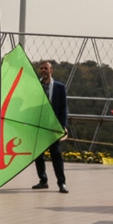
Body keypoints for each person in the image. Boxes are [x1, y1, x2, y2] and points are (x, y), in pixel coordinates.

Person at [32, 61, 68, 193]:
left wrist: (63, 125)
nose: (43, 70)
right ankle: (43, 180)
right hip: (39, 125)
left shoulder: (59, 87)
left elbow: (64, 108)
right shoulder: (35, 86)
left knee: (56, 155)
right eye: (41, 68)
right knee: (38, 155)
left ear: (51, 70)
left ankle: (62, 182)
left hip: (53, 126)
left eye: (46, 68)